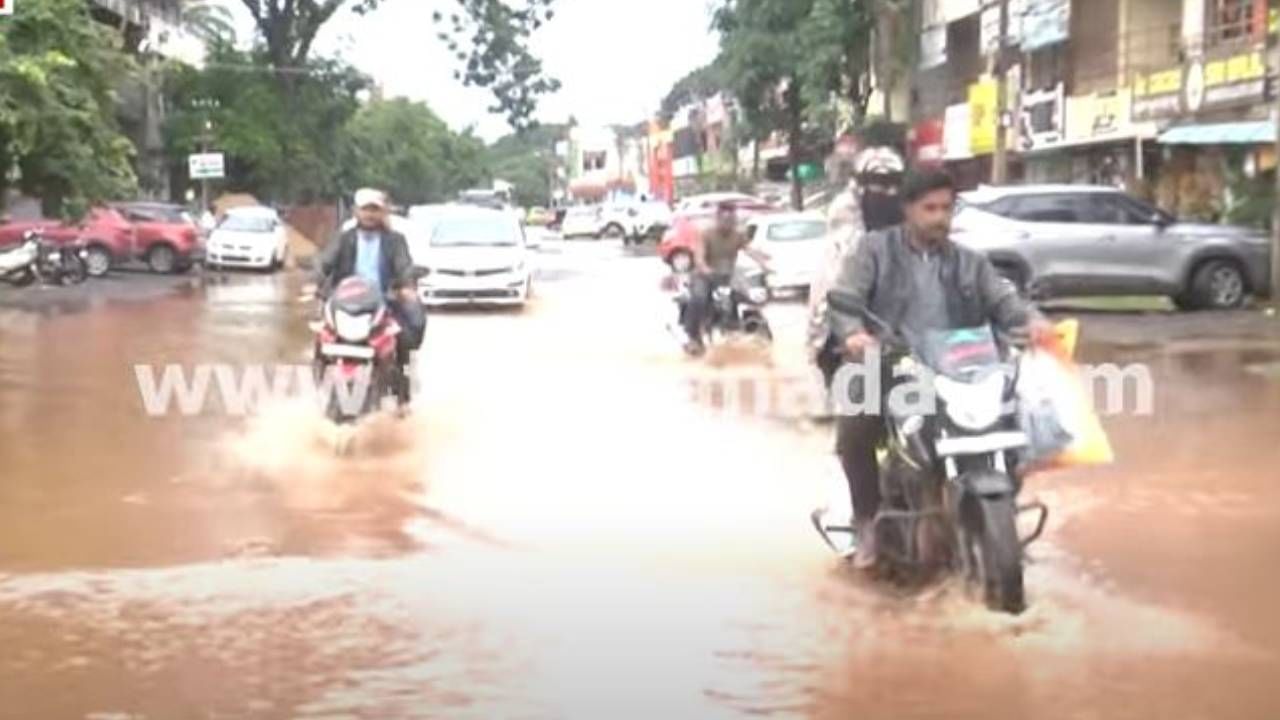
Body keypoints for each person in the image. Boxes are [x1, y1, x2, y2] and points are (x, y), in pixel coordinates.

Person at [826, 169, 1051, 570]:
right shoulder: (874, 251)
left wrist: (1031, 322)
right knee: (855, 426)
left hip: (960, 370)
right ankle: (867, 524)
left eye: (946, 208)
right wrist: (854, 335)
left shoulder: (970, 263)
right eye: (929, 208)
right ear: (908, 210)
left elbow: (1004, 301)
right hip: (890, 365)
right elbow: (844, 300)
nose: (939, 217)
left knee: (1014, 422)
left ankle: (1000, 521)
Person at [808, 146, 907, 394]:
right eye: (878, 184)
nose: (888, 192)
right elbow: (847, 263)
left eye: (893, 184)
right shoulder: (846, 213)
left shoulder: (910, 210)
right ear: (861, 184)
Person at [316, 188, 426, 408]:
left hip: (382, 303)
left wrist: (406, 287)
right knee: (321, 337)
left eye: (375, 209)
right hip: (344, 305)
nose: (370, 214)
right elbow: (324, 262)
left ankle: (402, 399)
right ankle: (320, 384)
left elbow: (404, 266)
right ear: (356, 211)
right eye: (365, 209)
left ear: (383, 212)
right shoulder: (344, 238)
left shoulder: (395, 241)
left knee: (404, 340)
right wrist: (317, 282)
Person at [681, 201, 771, 356]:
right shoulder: (706, 234)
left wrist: (765, 265)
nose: (728, 222)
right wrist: (705, 269)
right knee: (699, 298)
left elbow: (750, 250)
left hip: (728, 275)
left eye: (731, 219)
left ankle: (753, 327)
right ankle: (693, 337)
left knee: (750, 297)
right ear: (717, 218)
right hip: (704, 276)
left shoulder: (738, 235)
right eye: (724, 218)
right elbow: (699, 257)